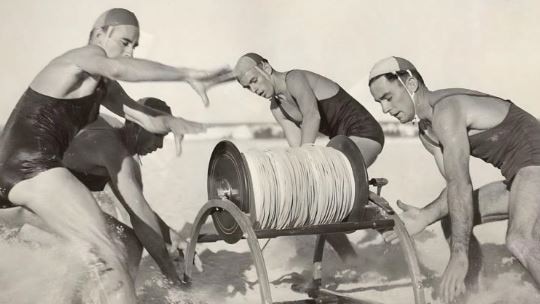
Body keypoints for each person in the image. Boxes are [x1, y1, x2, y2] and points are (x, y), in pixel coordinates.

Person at [0, 8, 228, 303]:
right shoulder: (81, 57)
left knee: (123, 244)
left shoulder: (102, 85)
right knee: (110, 256)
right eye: (124, 43)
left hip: (24, 175)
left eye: (134, 46)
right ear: (100, 33)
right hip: (30, 167)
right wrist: (185, 74)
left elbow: (143, 117)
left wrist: (170, 123)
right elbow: (119, 69)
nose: (130, 53)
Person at [368, 56, 540, 303]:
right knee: (452, 219)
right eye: (379, 102)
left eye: (388, 97)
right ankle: (471, 293)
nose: (385, 109)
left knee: (521, 240)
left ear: (411, 84)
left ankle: (462, 266)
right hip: (523, 173)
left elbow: (461, 183)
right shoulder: (427, 133)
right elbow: (454, 189)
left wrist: (459, 255)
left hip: (534, 163)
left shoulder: (446, 110)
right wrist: (427, 214)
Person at [0, 97, 201, 285]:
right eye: (158, 135)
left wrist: (170, 236)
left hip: (20, 188)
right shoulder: (115, 151)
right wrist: (170, 276)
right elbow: (138, 217)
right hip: (17, 200)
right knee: (126, 244)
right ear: (135, 125)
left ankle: (106, 291)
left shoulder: (114, 137)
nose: (159, 145)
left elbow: (135, 208)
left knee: (119, 243)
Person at [233, 53, 386, 263]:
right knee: (319, 202)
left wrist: (306, 164)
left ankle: (385, 226)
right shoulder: (277, 109)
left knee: (332, 190)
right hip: (341, 142)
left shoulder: (294, 79)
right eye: (247, 88)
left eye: (254, 81)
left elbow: (312, 116)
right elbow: (296, 150)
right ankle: (351, 259)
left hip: (364, 132)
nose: (254, 90)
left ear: (266, 68)